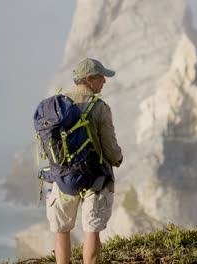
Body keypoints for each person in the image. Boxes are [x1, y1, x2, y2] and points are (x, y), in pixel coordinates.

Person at [46, 58, 123, 264]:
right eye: (101, 78)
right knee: (91, 231)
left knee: (61, 230)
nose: (104, 83)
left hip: (62, 176)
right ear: (90, 79)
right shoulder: (99, 107)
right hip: (94, 177)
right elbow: (109, 145)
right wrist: (117, 159)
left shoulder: (56, 105)